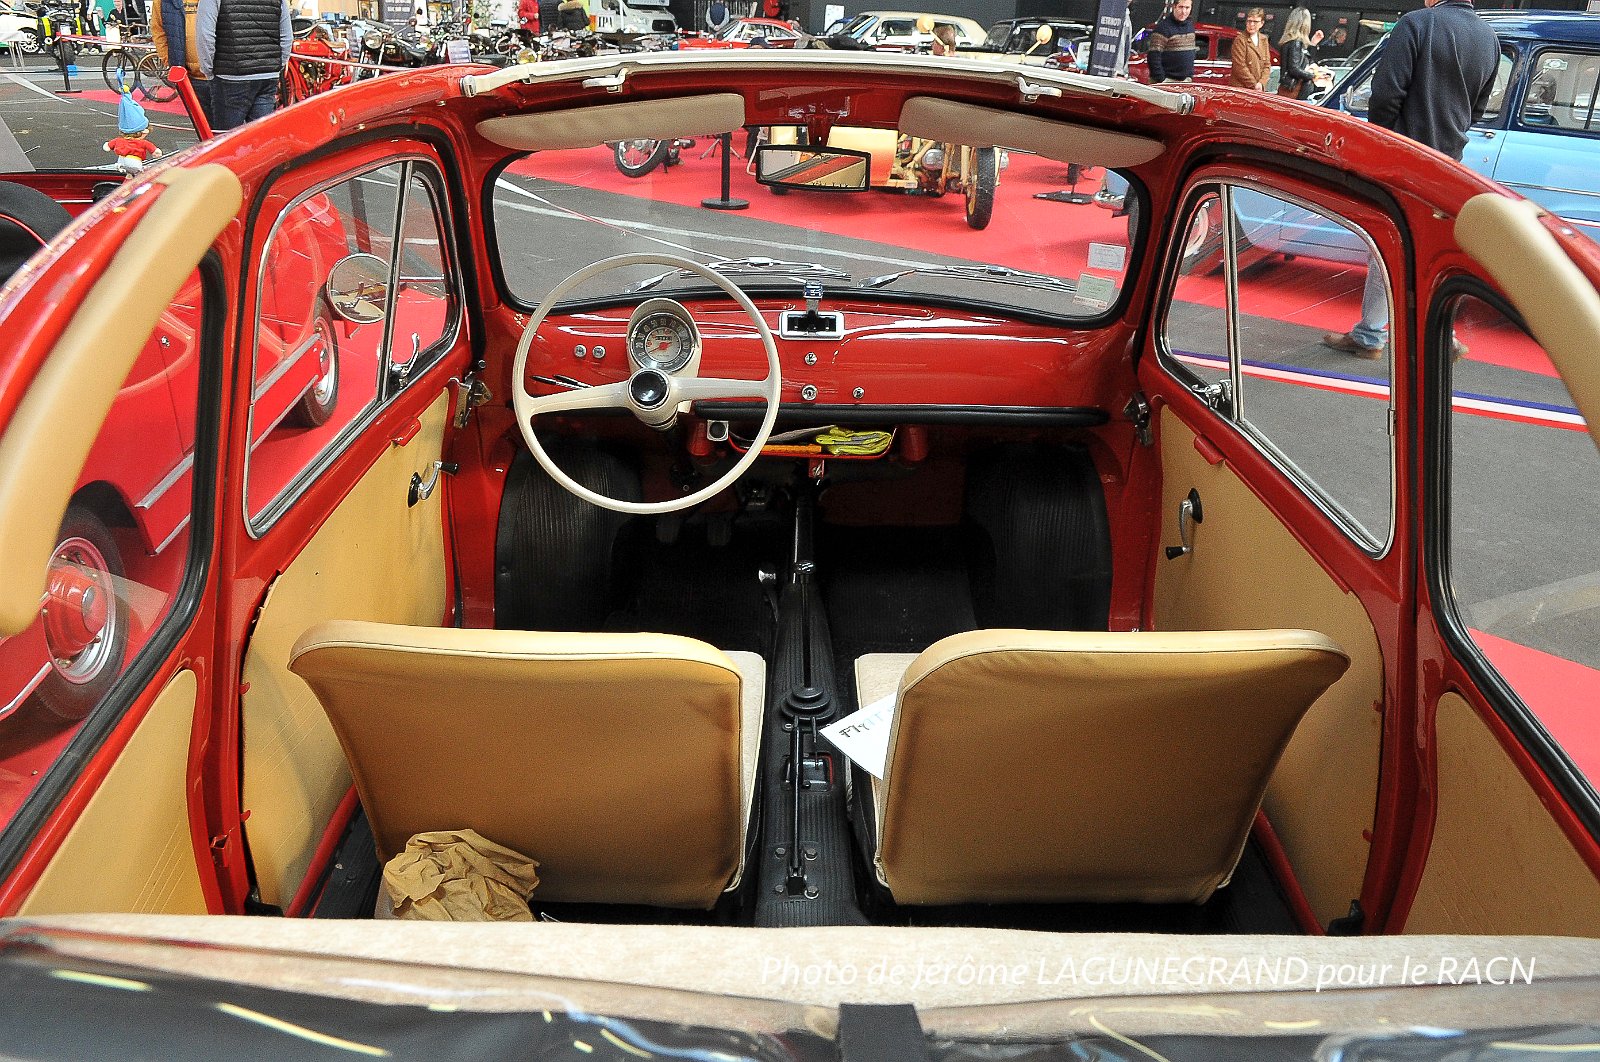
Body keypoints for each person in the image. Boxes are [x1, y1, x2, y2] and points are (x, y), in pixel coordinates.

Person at [1322, 0, 1498, 359]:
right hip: (1450, 163)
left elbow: (1386, 93)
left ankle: (1370, 336)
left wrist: (1383, 142)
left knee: (1387, 242)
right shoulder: (1489, 38)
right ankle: (1443, 336)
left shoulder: (1416, 23)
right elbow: (1478, 110)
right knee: (1432, 249)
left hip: (1405, 157)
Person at [196, 0, 292, 130]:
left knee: (227, 137)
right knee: (261, 137)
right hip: (267, 74)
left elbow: (205, 35)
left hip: (230, 76)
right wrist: (276, 65)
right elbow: (287, 38)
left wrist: (208, 69)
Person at [151, 0, 214, 125]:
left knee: (230, 130)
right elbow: (158, 30)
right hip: (189, 78)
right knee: (203, 128)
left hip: (222, 75)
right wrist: (170, 61)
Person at [103, 89, 161, 174]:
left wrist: (108, 145)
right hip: (135, 162)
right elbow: (155, 151)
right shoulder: (143, 143)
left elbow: (107, 146)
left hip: (121, 161)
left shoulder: (119, 140)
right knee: (136, 173)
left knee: (125, 174)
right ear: (144, 132)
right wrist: (156, 152)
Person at [1146, 0, 1195, 84]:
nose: (1184, 11)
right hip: (1166, 81)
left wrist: (1189, 76)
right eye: (1181, 7)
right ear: (1174, 7)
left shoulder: (1190, 27)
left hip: (1185, 81)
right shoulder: (1163, 28)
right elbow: (1153, 56)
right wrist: (1161, 79)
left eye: (1187, 8)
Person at [1275, 7, 1319, 99]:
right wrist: (1313, 76)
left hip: (1289, 87)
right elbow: (1294, 69)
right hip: (1295, 89)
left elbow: (1305, 62)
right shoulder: (1296, 43)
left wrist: (1313, 44)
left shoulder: (1289, 42)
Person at [1230, 8, 1271, 90]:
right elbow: (1240, 67)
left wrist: (1262, 83)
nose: (1251, 24)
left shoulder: (1264, 39)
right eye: (1249, 21)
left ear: (1262, 23)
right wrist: (1254, 85)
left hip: (1258, 88)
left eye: (1255, 22)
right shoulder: (1240, 40)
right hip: (1242, 88)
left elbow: (1267, 64)